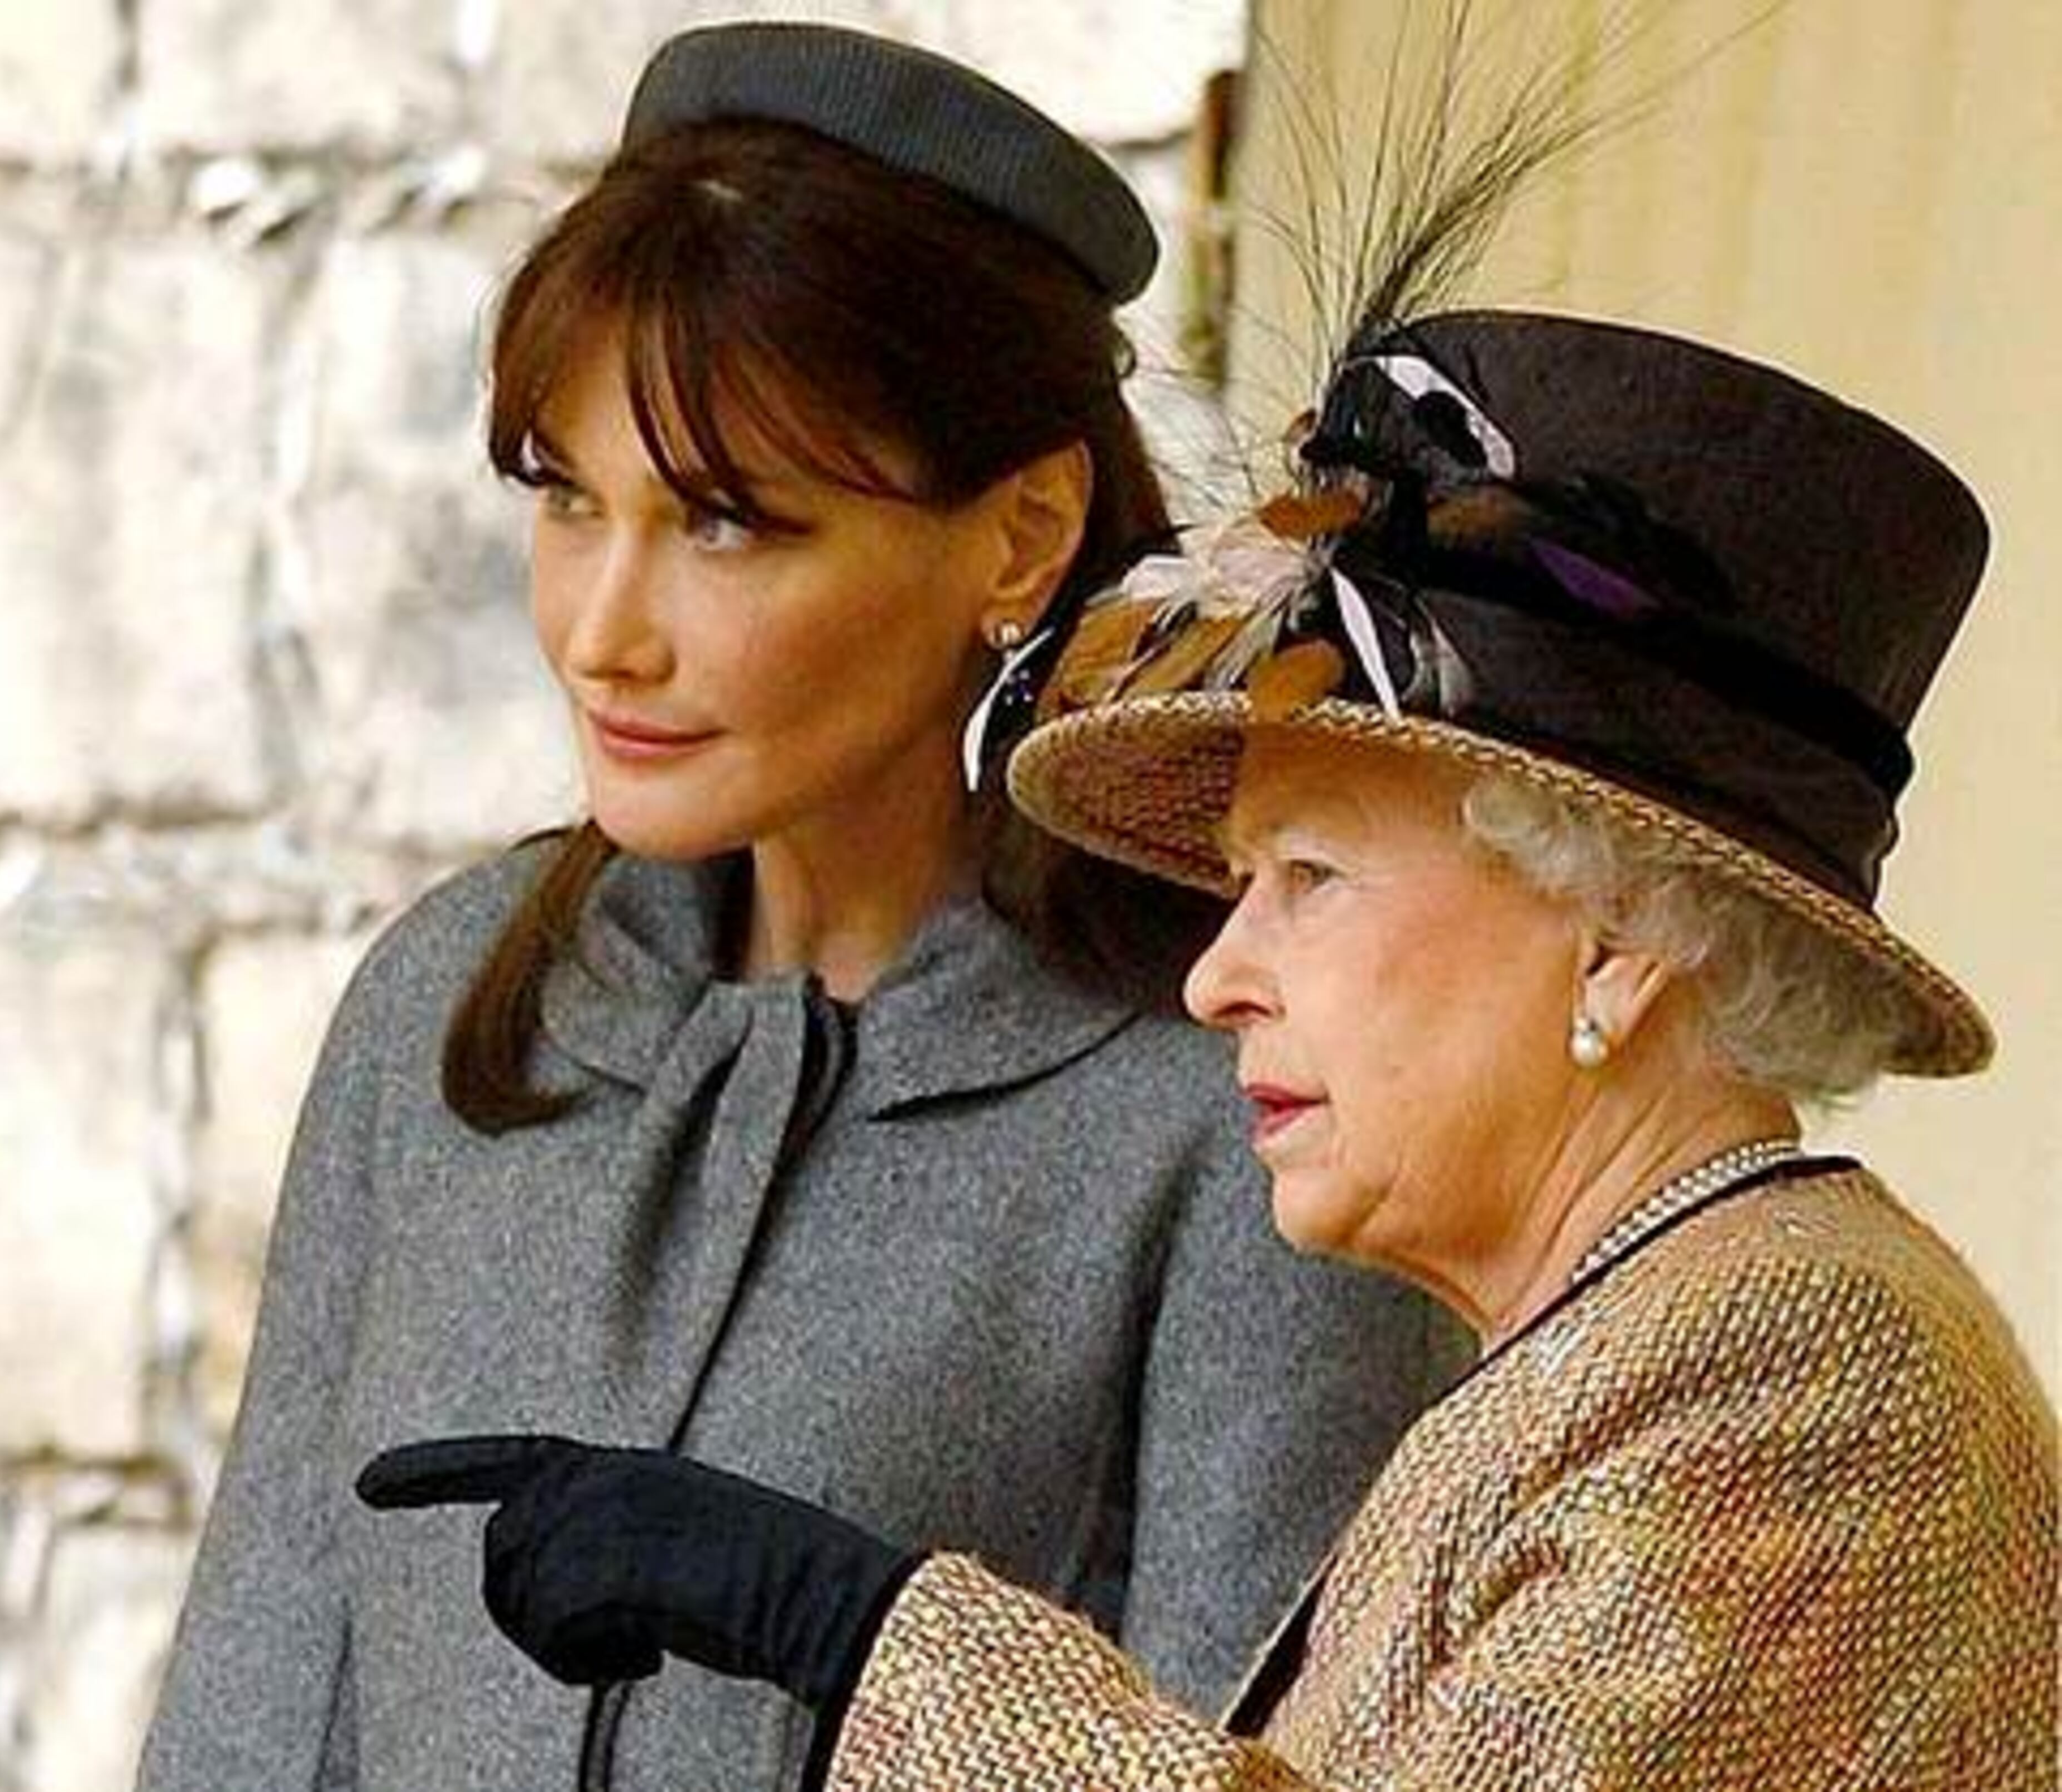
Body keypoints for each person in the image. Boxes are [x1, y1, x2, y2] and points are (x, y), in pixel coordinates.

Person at [360, 301, 2060, 1788]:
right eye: (1240, 885)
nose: (1215, 976)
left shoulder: (1799, 1382)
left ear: (1625, 936)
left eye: (1308, 877)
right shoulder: (1657, 1335)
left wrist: (859, 1627)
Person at [133, 20, 1454, 1792]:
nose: (606, 627)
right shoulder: (451, 1011)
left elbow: (1270, 1770)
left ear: (1021, 535)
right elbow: (250, 1709)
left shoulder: (1245, 1101)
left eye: (728, 524)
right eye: (567, 500)